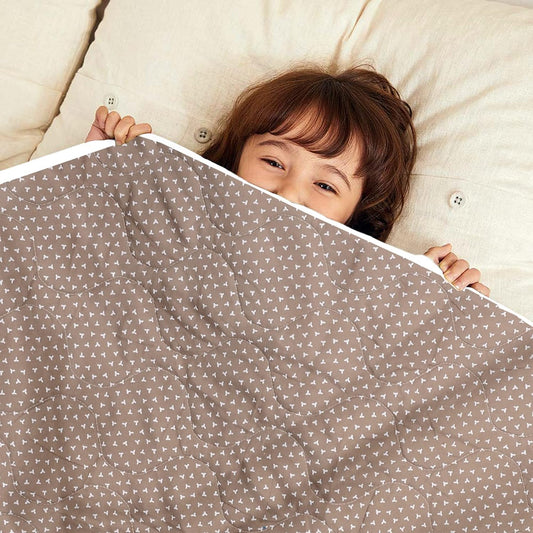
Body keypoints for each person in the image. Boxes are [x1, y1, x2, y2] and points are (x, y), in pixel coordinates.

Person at [85, 66, 489, 296]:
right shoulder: (174, 214)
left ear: (355, 215)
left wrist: (446, 306)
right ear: (235, 158)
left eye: (325, 186)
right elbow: (87, 263)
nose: (289, 193)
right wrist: (93, 168)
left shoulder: (360, 289)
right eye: (274, 162)